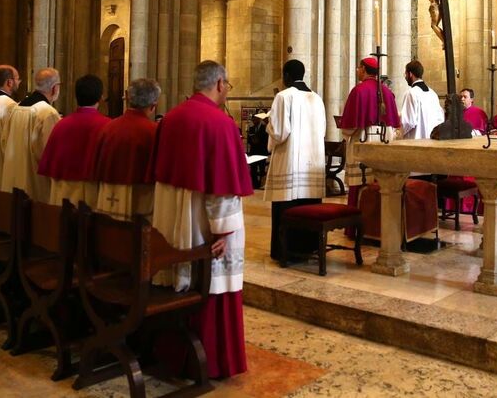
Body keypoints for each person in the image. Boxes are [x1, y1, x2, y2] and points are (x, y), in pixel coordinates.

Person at [149, 61, 252, 379]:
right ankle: (213, 359)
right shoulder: (219, 123)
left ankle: (168, 353)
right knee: (211, 286)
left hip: (171, 220)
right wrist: (223, 231)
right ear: (220, 84)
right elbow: (221, 189)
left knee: (176, 279)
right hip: (201, 227)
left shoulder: (171, 118)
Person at [262, 59, 327, 262]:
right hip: (312, 166)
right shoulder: (316, 98)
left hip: (289, 162)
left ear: (287, 76)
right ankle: (308, 248)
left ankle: (286, 251)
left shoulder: (283, 97)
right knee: (309, 207)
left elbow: (280, 132)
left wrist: (267, 125)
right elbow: (322, 131)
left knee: (288, 208)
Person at [337, 57, 400, 214]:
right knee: (381, 185)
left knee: (360, 185)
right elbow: (395, 123)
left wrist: (346, 131)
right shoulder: (387, 91)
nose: (357, 70)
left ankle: (356, 228)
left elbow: (349, 128)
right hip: (385, 141)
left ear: (364, 69)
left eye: (359, 67)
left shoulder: (358, 90)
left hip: (363, 142)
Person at [92, 78, 160, 219]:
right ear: (153, 106)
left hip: (108, 195)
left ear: (128, 99)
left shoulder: (108, 128)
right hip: (141, 200)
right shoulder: (154, 132)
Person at [38, 75, 110, 207]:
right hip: (93, 191)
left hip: (64, 191)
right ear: (101, 97)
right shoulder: (108, 126)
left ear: (76, 97)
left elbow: (50, 163)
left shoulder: (61, 124)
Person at [0, 67, 61, 201]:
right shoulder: (47, 113)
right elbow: (49, 154)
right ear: (54, 88)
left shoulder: (17, 108)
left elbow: (4, 141)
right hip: (34, 183)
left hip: (13, 179)